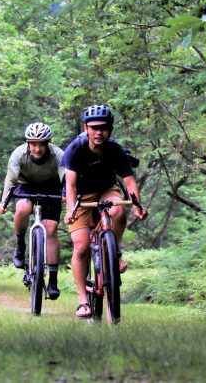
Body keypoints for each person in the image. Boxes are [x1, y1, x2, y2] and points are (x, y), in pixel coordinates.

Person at [62, 105, 148, 318]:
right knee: (81, 246)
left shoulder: (115, 150)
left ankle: (114, 252)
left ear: (110, 129)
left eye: (104, 127)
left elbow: (129, 182)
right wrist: (71, 210)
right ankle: (83, 301)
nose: (99, 132)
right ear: (86, 128)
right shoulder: (75, 149)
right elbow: (70, 185)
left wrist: (137, 205)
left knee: (117, 210)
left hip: (106, 190)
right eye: (94, 128)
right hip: (80, 196)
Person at [0, 122, 65, 299]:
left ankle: (53, 281)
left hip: (51, 187)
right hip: (25, 186)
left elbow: (66, 178)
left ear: (48, 143)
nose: (37, 148)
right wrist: (4, 202)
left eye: (41, 144)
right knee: (22, 208)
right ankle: (20, 245)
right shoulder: (18, 154)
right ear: (27, 142)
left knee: (51, 229)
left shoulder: (58, 154)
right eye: (33, 144)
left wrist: (67, 195)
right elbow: (11, 179)